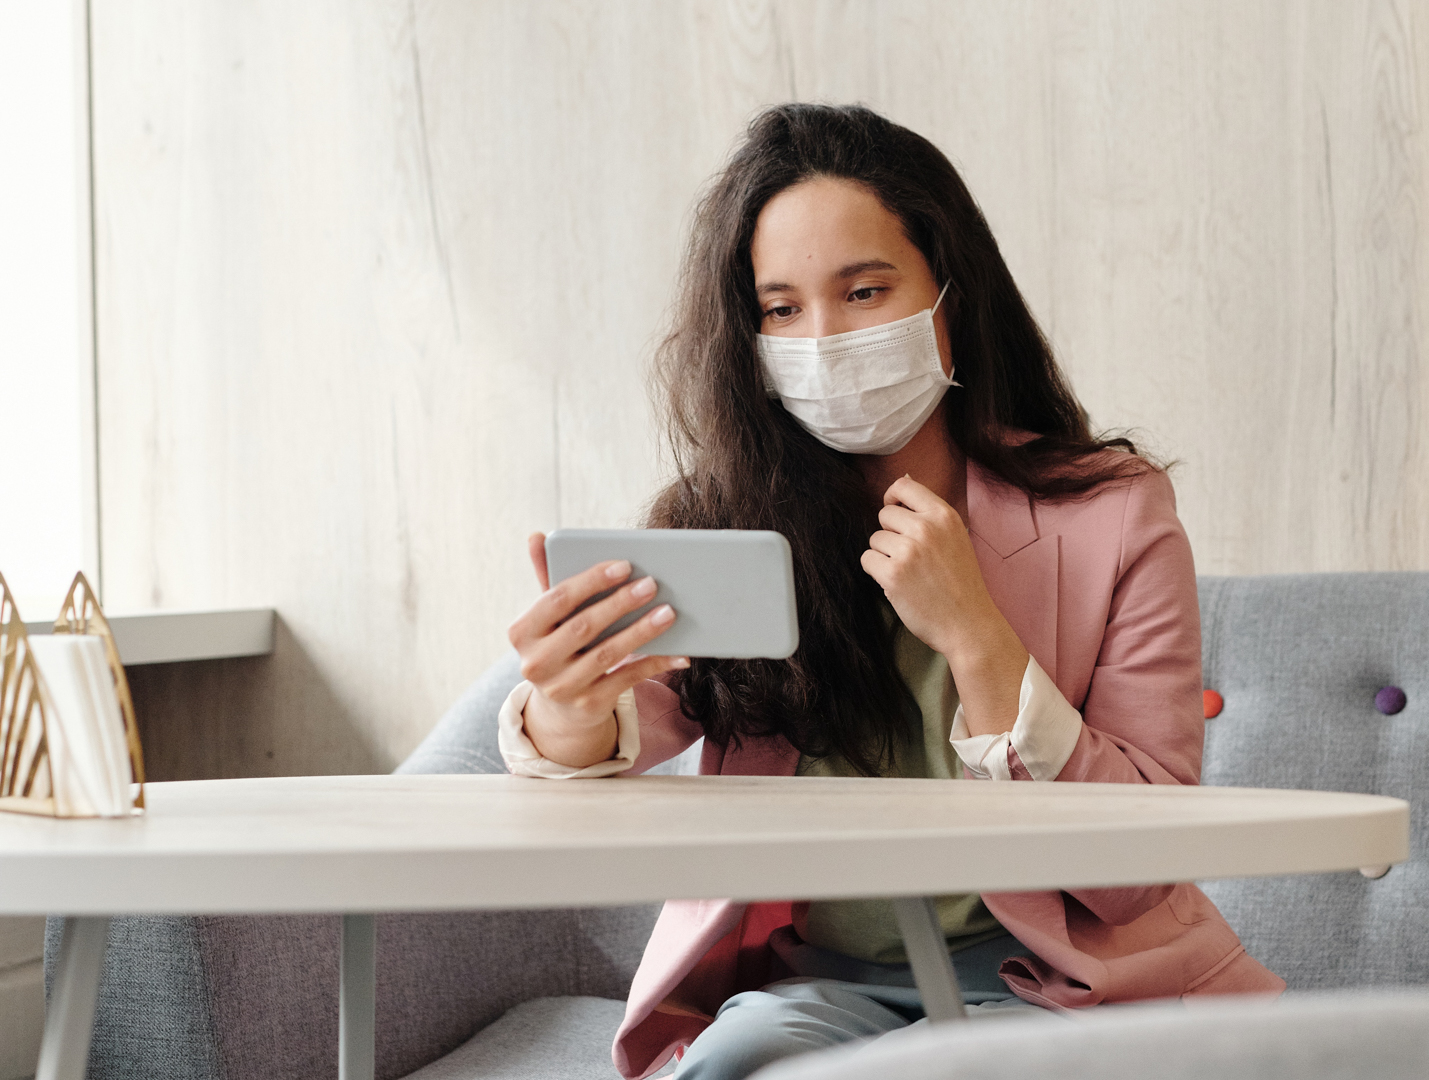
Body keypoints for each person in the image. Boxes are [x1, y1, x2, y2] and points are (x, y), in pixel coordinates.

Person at [501, 103, 1284, 1080]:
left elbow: (1143, 864)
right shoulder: (726, 529)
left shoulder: (1113, 514)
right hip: (814, 985)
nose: (824, 339)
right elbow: (626, 726)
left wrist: (979, 640)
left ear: (953, 297)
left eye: (864, 291)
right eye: (782, 310)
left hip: (1063, 982)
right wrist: (566, 707)